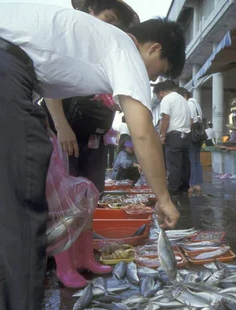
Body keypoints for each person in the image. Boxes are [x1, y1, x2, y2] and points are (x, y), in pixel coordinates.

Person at [0, 3, 183, 310]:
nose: (150, 79)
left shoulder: (87, 37)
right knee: (17, 203)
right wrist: (163, 198)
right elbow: (142, 131)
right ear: (154, 48)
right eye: (157, 72)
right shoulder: (125, 48)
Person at [43, 0, 139, 289]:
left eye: (116, 25)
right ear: (90, 13)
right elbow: (50, 86)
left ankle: (84, 258)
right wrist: (61, 127)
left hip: (95, 138)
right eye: (108, 19)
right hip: (66, 135)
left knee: (90, 198)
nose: (111, 28)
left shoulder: (105, 53)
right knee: (63, 202)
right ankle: (65, 266)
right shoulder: (70, 44)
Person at [154, 80, 192, 195]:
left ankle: (172, 190)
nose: (159, 99)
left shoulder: (167, 99)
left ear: (160, 93)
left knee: (173, 165)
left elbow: (165, 118)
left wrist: (163, 134)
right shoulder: (182, 99)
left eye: (157, 96)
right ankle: (184, 187)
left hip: (174, 135)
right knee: (185, 164)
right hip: (186, 135)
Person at [175, 87, 204, 193]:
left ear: (184, 95)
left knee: (191, 160)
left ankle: (191, 185)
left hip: (192, 135)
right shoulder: (196, 104)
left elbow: (190, 120)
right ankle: (197, 183)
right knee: (196, 159)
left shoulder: (189, 104)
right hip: (199, 135)